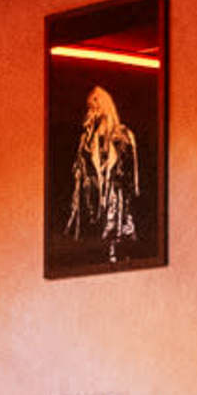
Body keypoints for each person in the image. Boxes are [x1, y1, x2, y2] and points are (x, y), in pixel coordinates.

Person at [62, 83, 144, 262]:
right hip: (93, 198)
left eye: (96, 107)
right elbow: (80, 169)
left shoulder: (122, 134)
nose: (93, 111)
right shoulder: (87, 140)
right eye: (90, 108)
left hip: (115, 197)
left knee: (115, 238)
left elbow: (129, 172)